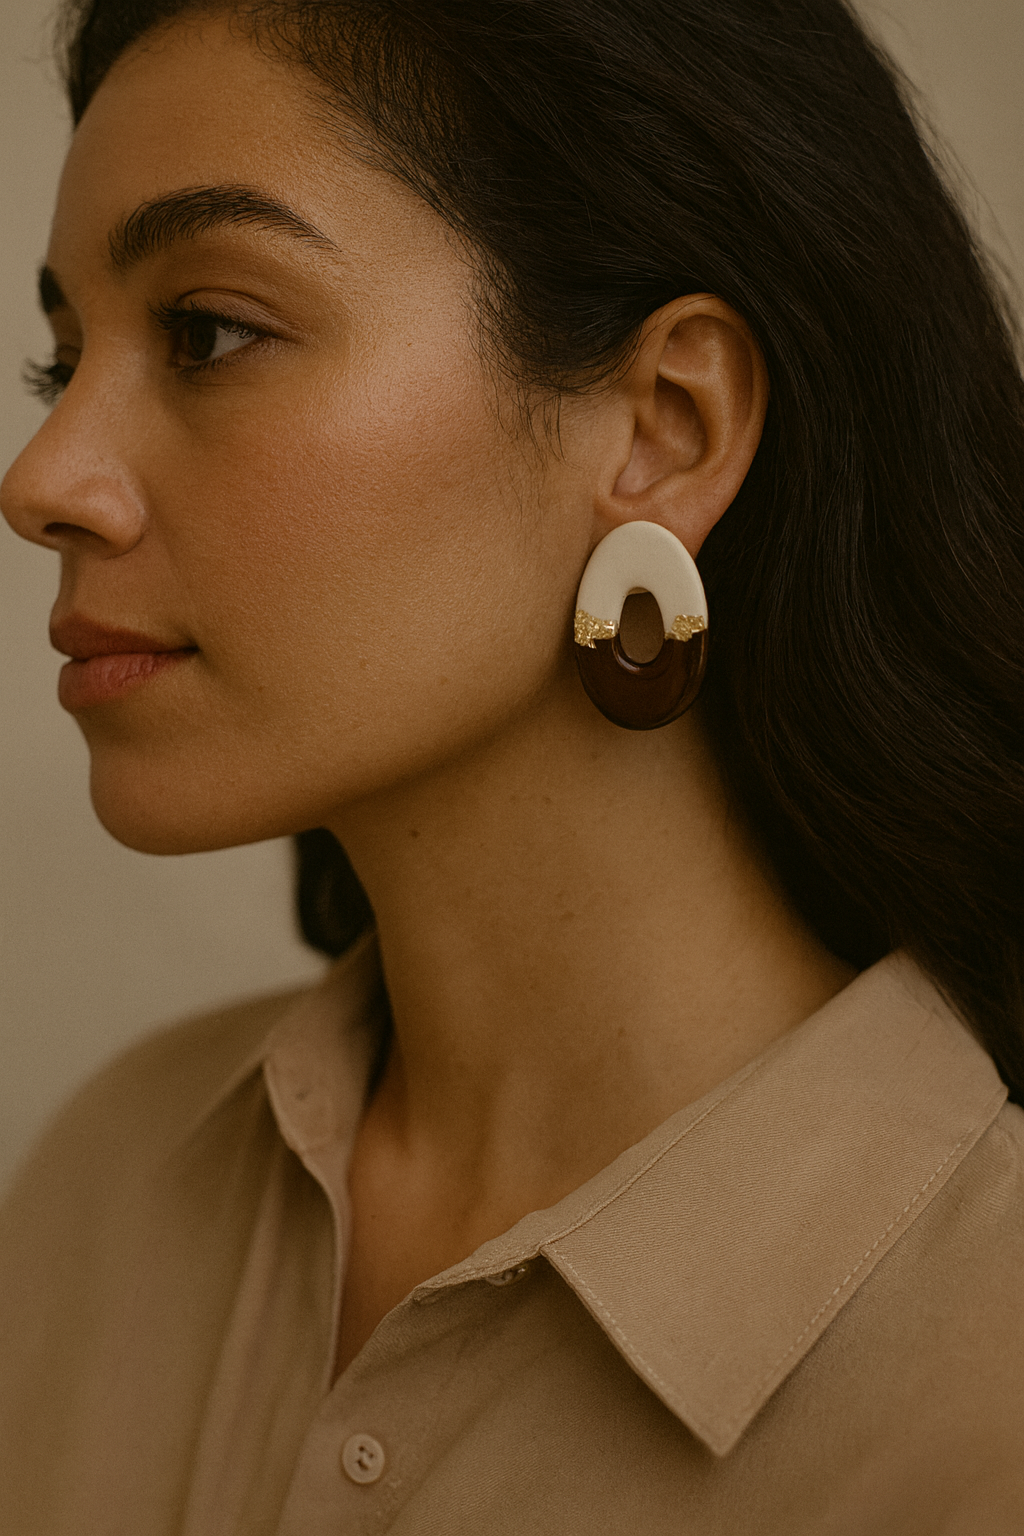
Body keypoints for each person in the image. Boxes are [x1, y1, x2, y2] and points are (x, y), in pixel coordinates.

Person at [1, 0, 1022, 1529]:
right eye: (62, 361)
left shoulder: (990, 1390)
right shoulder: (111, 1183)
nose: (43, 480)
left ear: (666, 428)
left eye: (211, 331)